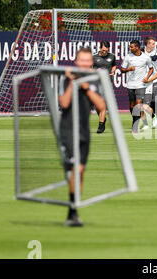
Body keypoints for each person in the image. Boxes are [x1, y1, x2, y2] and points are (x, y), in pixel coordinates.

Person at [59, 47, 106, 227]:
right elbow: (63, 103)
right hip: (69, 130)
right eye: (82, 60)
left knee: (80, 172)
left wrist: (85, 86)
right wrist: (73, 82)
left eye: (88, 60)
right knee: (75, 170)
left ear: (91, 62)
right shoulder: (67, 78)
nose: (85, 63)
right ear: (76, 61)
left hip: (84, 132)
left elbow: (101, 106)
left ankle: (73, 209)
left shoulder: (94, 80)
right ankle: (72, 211)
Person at [121, 40, 154, 133]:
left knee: (138, 105)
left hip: (141, 85)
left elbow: (151, 69)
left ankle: (135, 126)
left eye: (131, 47)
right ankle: (135, 119)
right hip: (130, 85)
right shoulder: (128, 57)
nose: (130, 48)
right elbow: (122, 69)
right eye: (130, 47)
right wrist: (128, 69)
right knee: (132, 106)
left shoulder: (146, 57)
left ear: (137, 47)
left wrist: (147, 78)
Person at [93, 41, 116, 133]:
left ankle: (101, 125)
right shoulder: (94, 57)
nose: (104, 52)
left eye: (106, 51)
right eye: (103, 50)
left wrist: (113, 71)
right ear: (100, 48)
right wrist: (95, 70)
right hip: (97, 84)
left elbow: (114, 65)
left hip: (108, 84)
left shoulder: (112, 56)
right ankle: (103, 119)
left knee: (103, 104)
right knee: (97, 106)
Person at [141, 36, 157, 130]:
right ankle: (153, 118)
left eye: (154, 43)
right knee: (145, 104)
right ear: (148, 44)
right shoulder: (141, 51)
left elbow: (154, 58)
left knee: (153, 101)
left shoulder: (155, 51)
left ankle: (156, 118)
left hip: (154, 79)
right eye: (152, 43)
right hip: (145, 81)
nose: (154, 45)